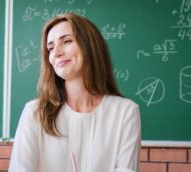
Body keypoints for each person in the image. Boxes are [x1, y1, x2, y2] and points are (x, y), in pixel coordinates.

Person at [9, 13, 141, 172]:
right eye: (50, 48)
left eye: (67, 41)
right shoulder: (35, 112)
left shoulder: (126, 112)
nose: (56, 53)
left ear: (90, 46)